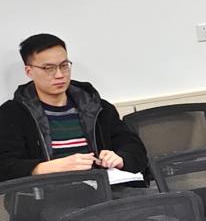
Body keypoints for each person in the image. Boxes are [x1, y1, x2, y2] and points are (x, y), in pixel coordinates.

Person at [0, 33, 147, 182]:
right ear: (29, 71)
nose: (59, 75)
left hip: (105, 188)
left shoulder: (97, 107)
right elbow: (5, 166)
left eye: (64, 66)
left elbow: (135, 148)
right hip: (49, 192)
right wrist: (48, 167)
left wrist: (121, 158)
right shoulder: (12, 114)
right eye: (49, 68)